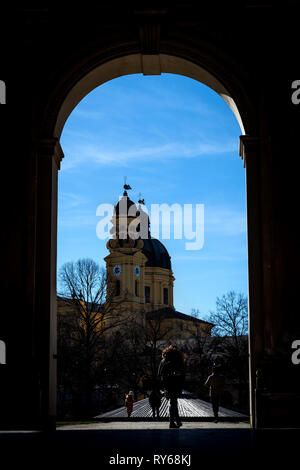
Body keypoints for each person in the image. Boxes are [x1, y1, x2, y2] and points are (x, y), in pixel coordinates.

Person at [158, 345, 185, 428]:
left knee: (173, 402)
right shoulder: (178, 359)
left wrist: (162, 384)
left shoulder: (163, 360)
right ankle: (173, 421)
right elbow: (183, 372)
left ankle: (176, 420)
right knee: (173, 402)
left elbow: (159, 373)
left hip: (167, 384)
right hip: (176, 383)